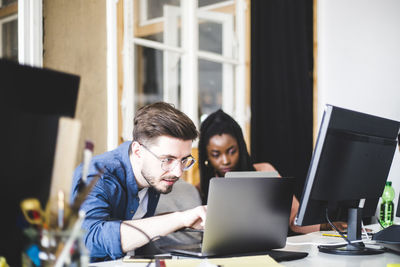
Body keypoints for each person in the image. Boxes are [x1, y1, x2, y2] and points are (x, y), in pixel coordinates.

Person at [70, 102, 207, 262]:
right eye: (168, 159)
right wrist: (179, 219)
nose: (178, 172)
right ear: (137, 151)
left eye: (184, 160)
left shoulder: (154, 175)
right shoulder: (96, 175)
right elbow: (89, 239)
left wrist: (186, 220)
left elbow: (136, 224)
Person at [198, 109, 346, 234]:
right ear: (206, 156)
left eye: (232, 151)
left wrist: (326, 226)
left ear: (241, 148)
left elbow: (294, 218)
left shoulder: (264, 171)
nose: (225, 160)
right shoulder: (200, 189)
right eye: (216, 154)